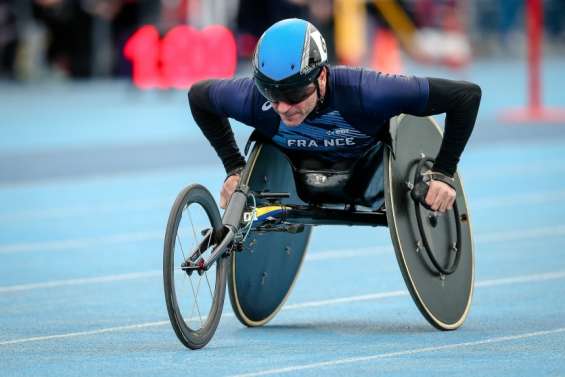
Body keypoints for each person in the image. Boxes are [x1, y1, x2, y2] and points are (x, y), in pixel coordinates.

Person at [188, 18, 481, 213]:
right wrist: (235, 167)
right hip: (296, 176)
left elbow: (465, 96)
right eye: (272, 98)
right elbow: (198, 97)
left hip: (367, 174)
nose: (283, 108)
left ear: (322, 77)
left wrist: (443, 173)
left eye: (294, 96)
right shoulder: (253, 98)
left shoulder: (369, 91)